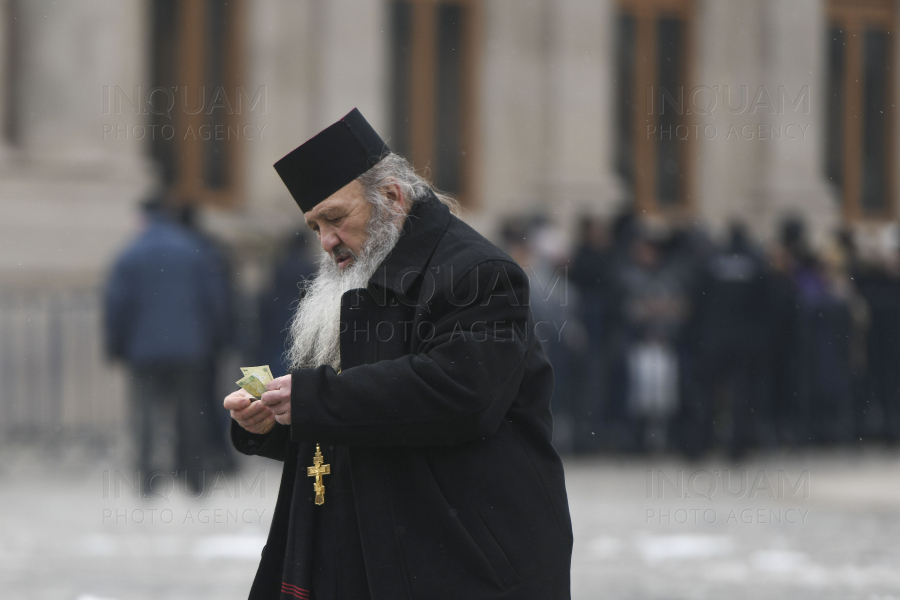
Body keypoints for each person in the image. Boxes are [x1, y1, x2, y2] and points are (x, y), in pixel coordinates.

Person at [222, 109, 573, 600]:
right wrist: (274, 421)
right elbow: (351, 418)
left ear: (391, 196)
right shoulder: (355, 275)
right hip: (362, 547)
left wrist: (312, 400)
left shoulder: (479, 273)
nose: (326, 242)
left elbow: (461, 394)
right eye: (314, 225)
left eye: (336, 218)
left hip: (464, 555)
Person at [104, 197, 230, 493]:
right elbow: (214, 299)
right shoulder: (192, 249)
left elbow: (116, 305)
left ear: (143, 218)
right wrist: (217, 338)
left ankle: (148, 477)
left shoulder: (131, 253)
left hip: (143, 349)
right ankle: (193, 475)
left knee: (146, 414)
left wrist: (116, 344)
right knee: (191, 412)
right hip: (190, 347)